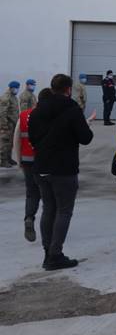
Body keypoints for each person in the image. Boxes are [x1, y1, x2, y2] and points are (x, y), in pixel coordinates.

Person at [28, 74, 94, 270]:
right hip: (64, 169)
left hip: (40, 167)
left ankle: (48, 252)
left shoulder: (37, 110)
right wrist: (86, 125)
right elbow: (85, 138)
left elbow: (32, 137)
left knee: (48, 209)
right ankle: (55, 255)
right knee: (64, 211)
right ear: (67, 89)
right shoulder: (72, 109)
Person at [13, 88, 52, 242]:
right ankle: (49, 227)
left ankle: (29, 217)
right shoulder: (50, 116)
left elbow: (17, 140)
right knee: (49, 194)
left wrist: (19, 160)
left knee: (31, 192)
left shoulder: (23, 116)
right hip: (45, 162)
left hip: (27, 161)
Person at [0, 81, 21, 167]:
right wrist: (4, 125)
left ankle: (8, 158)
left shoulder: (13, 97)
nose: (17, 90)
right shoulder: (6, 97)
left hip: (12, 124)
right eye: (16, 88)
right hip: (7, 125)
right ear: (12, 88)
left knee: (10, 143)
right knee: (5, 142)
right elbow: (2, 112)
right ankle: (3, 161)